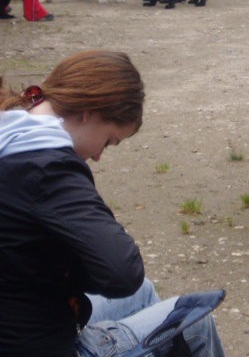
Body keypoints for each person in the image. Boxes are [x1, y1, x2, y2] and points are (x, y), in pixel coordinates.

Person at [0, 50, 225, 357]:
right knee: (195, 319)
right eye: (108, 141)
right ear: (88, 112)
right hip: (37, 345)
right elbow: (121, 271)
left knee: (145, 292)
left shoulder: (12, 130)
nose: (98, 156)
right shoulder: (49, 168)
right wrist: (70, 266)